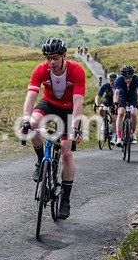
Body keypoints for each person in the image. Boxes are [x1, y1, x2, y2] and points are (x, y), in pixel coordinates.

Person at [21, 37, 85, 220]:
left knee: (66, 153)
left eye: (55, 57)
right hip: (48, 104)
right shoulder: (41, 70)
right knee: (32, 124)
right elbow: (31, 97)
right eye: (48, 58)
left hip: (68, 110)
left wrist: (75, 128)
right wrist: (26, 120)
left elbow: (78, 102)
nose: (52, 62)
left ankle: (65, 200)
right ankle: (41, 160)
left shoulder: (76, 71)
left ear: (64, 56)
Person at [113, 65, 138, 147]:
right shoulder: (119, 79)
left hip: (132, 97)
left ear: (132, 75)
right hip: (122, 97)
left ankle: (133, 133)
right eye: (125, 78)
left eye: (129, 78)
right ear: (122, 76)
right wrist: (115, 102)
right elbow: (116, 92)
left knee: (134, 114)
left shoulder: (137, 78)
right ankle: (119, 138)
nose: (127, 80)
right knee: (120, 113)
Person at [94, 72, 118, 144]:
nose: (112, 82)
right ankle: (104, 122)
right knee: (101, 109)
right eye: (110, 80)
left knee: (114, 119)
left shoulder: (118, 87)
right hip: (108, 101)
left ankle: (113, 138)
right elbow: (98, 96)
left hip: (116, 103)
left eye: (114, 80)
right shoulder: (105, 86)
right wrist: (96, 103)